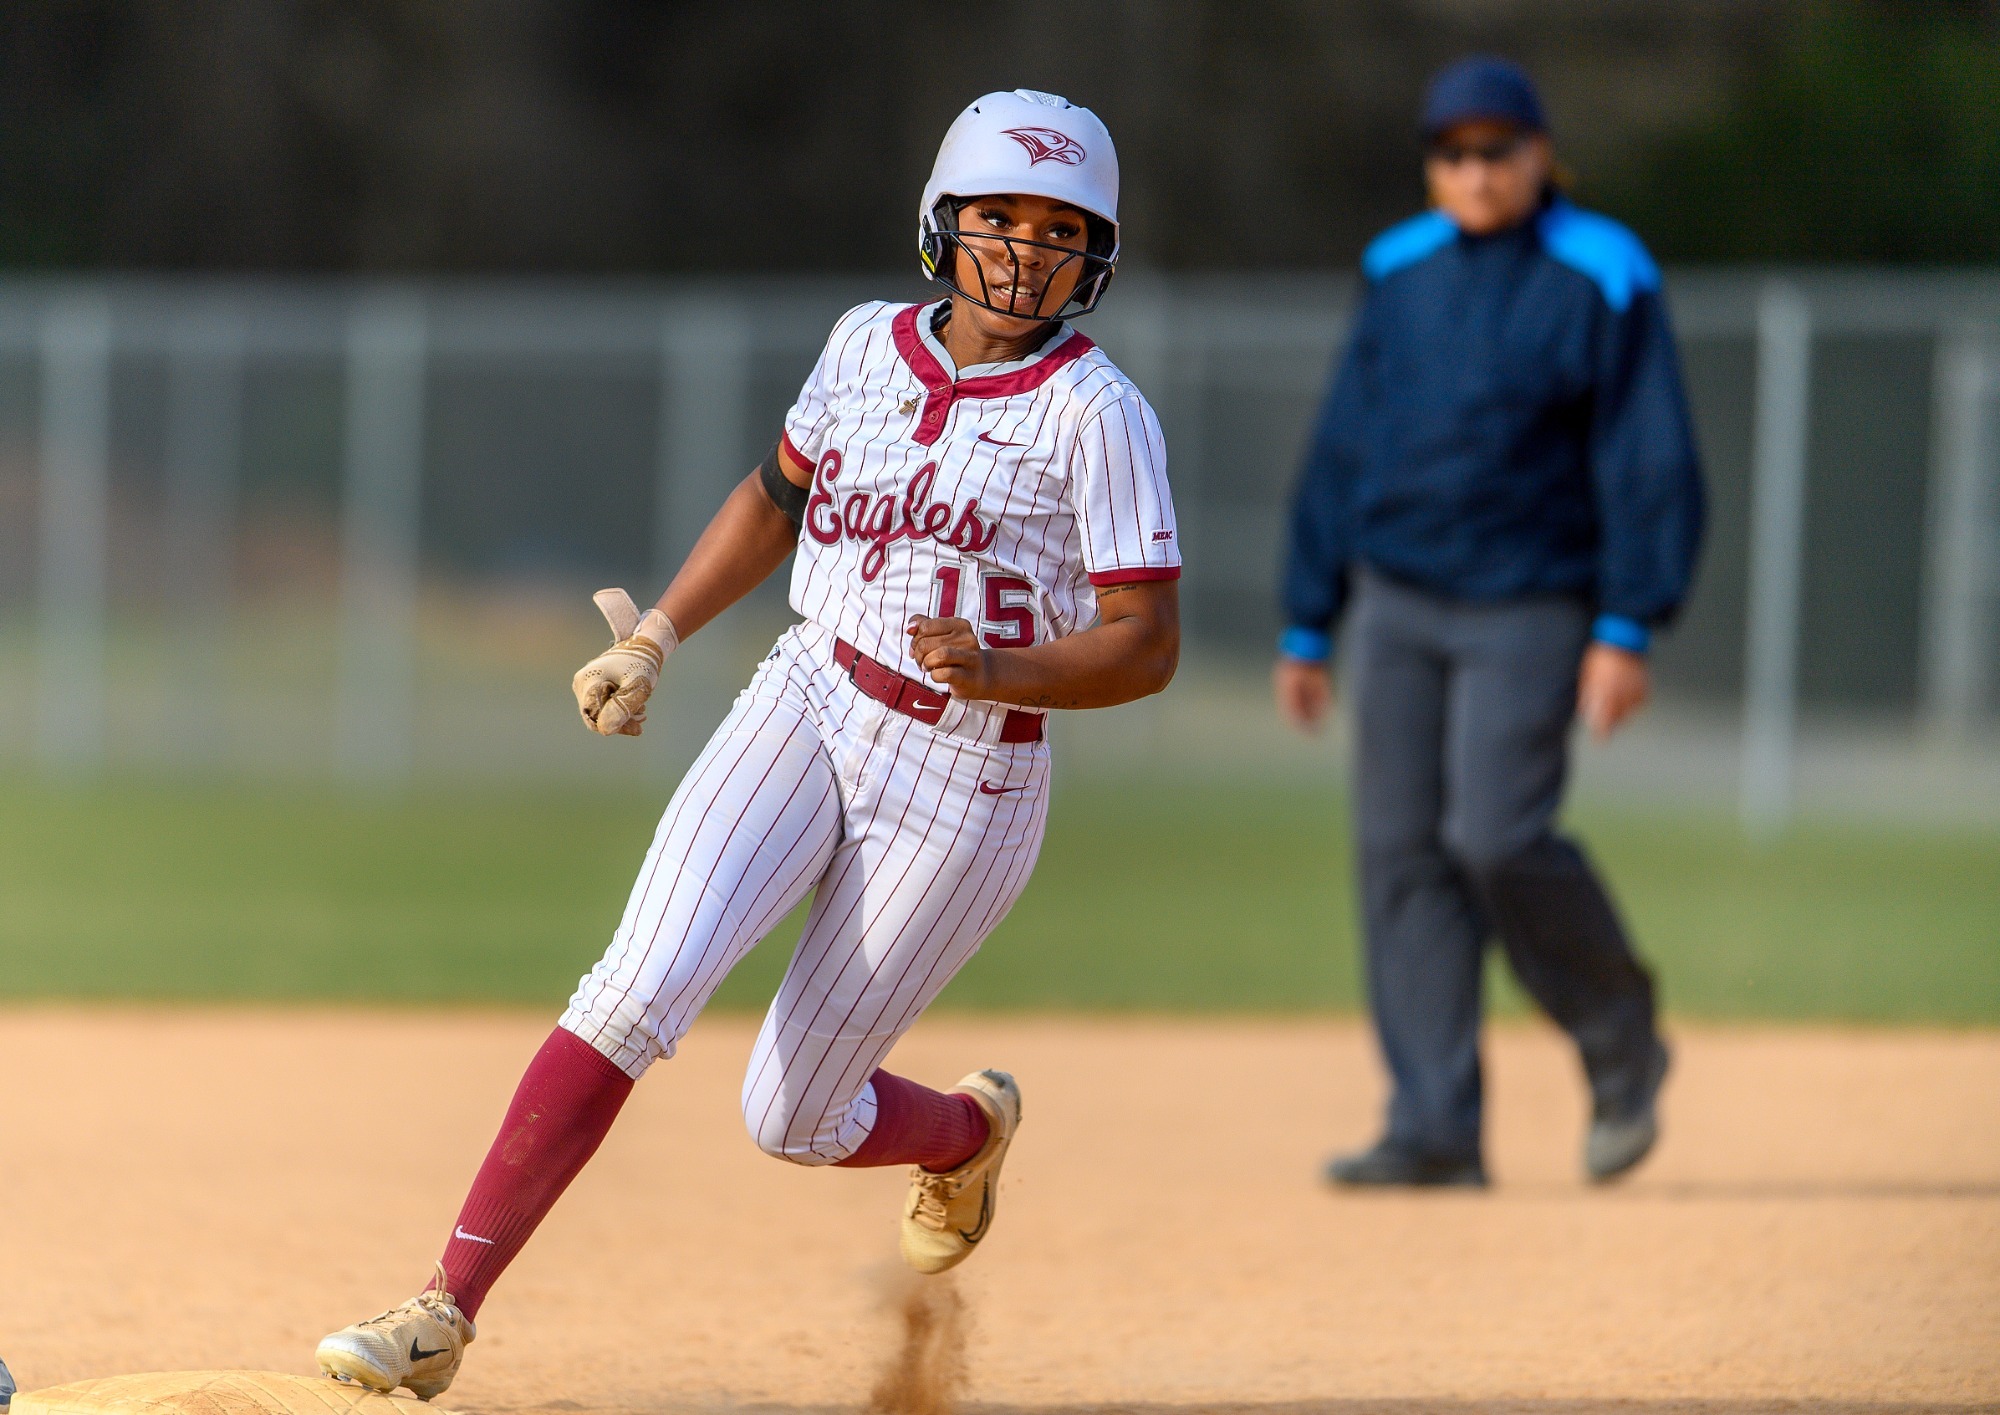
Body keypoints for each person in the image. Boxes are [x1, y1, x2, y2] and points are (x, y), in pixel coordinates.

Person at [315, 88, 1180, 1398]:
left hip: (968, 772)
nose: (1021, 247)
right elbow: (777, 500)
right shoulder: (864, 347)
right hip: (809, 695)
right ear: (943, 225)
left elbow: (1147, 641)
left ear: (1095, 255)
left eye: (1058, 225)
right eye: (997, 213)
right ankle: (442, 1304)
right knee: (633, 984)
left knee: (792, 1116)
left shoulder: (1096, 414)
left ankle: (963, 1128)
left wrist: (1002, 666)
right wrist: (657, 631)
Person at [1275, 56, 1703, 1188]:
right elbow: (1340, 448)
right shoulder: (1396, 267)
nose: (1473, 172)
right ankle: (1432, 1125)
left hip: (1533, 596)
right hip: (1399, 598)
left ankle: (1620, 1039)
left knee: (1496, 835)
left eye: (1494, 149)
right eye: (1451, 153)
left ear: (1537, 153)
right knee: (1399, 853)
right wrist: (1307, 619)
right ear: (1432, 166)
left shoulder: (1601, 269)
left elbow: (1646, 454)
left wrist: (1627, 621)